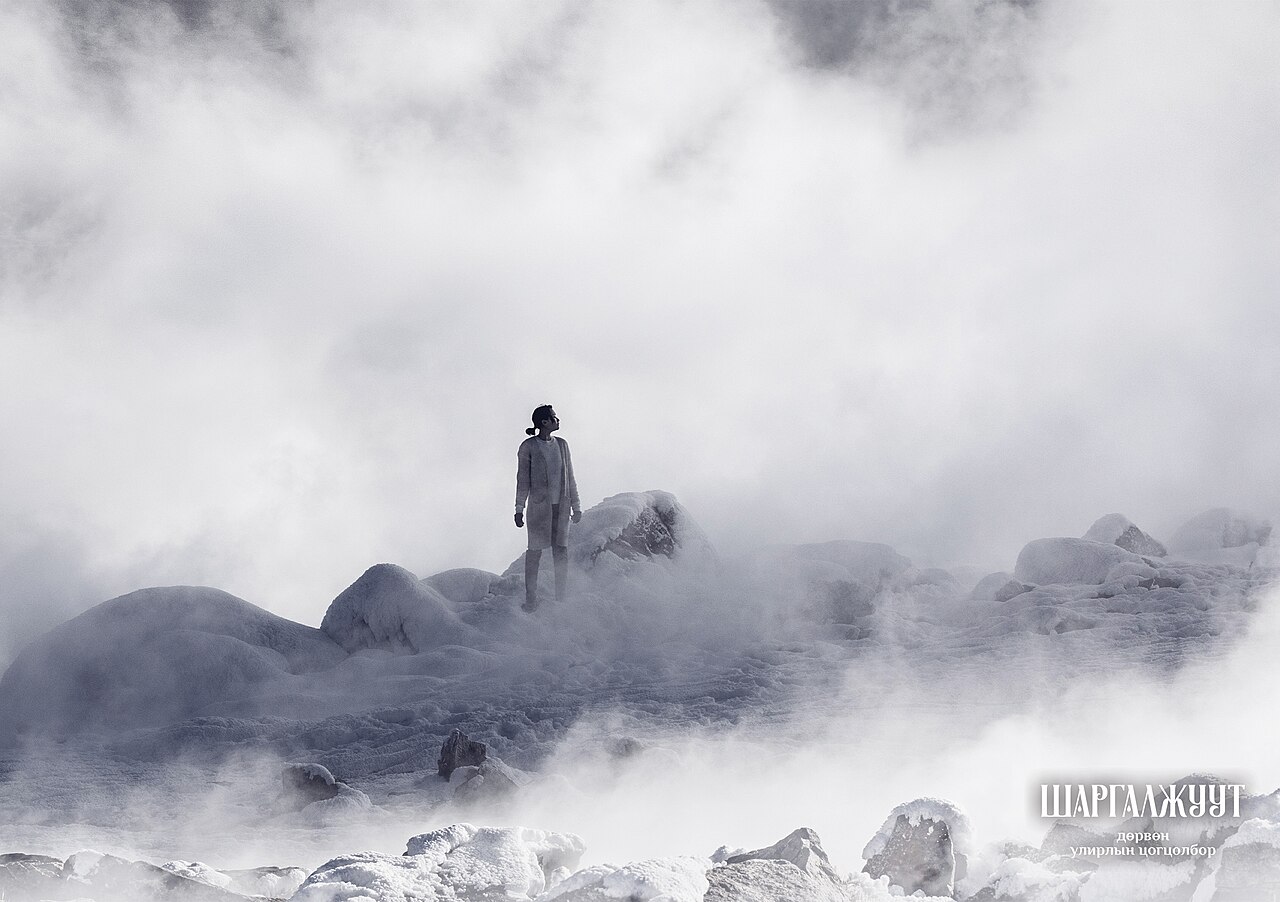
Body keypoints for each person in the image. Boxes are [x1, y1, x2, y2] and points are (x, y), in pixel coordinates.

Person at [514, 404, 581, 612]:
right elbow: (522, 480)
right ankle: (531, 600)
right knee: (534, 552)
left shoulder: (562, 445)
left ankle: (561, 598)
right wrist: (518, 508)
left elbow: (570, 477)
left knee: (561, 552)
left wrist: (576, 505)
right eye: (554, 417)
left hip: (561, 507)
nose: (557, 420)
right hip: (538, 509)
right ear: (544, 422)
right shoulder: (528, 447)